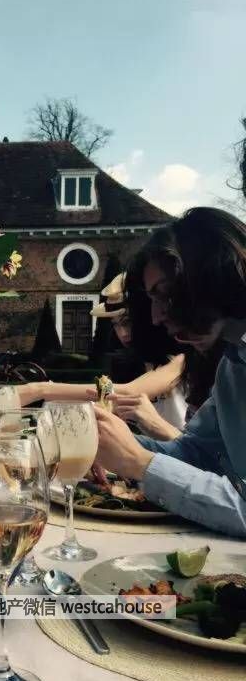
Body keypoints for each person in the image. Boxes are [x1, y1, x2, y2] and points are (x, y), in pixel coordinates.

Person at [94, 207, 246, 537]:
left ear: (215, 273)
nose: (156, 317)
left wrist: (139, 463)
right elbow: (197, 454)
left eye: (163, 293)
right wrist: (110, 443)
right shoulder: (232, 365)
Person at [18, 273, 189, 440]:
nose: (123, 333)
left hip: (183, 453)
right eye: (116, 325)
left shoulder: (179, 360)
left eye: (127, 322)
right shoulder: (129, 364)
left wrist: (41, 389)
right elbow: (106, 401)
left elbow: (130, 392)